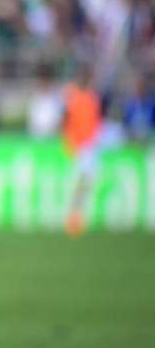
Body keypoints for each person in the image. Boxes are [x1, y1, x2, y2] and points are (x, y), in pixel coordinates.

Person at [62, 67, 102, 237]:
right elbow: (68, 122)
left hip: (89, 146)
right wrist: (70, 142)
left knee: (85, 183)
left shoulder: (91, 98)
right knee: (81, 183)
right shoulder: (75, 98)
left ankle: (76, 217)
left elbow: (94, 122)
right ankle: (74, 218)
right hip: (81, 147)